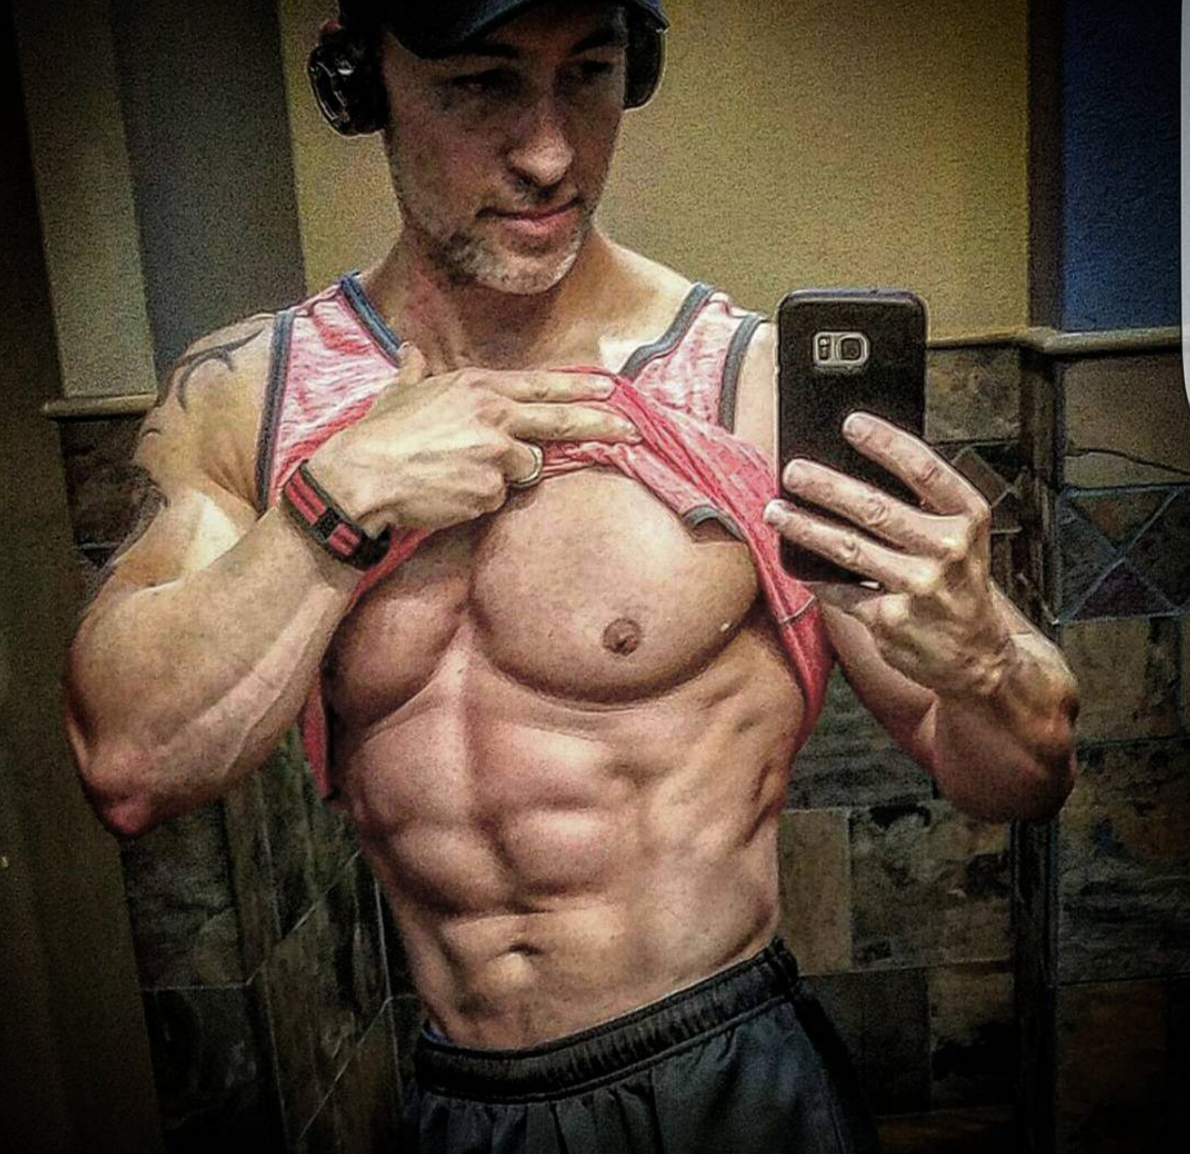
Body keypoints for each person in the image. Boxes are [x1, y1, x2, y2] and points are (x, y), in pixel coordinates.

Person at [64, 1, 1078, 1150]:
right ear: (360, 81)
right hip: (464, 1100)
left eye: (588, 74)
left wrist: (982, 663)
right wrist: (329, 509)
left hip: (722, 1078)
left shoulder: (742, 390)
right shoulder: (252, 398)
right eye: (480, 83)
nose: (548, 154)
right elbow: (129, 766)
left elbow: (1017, 776)